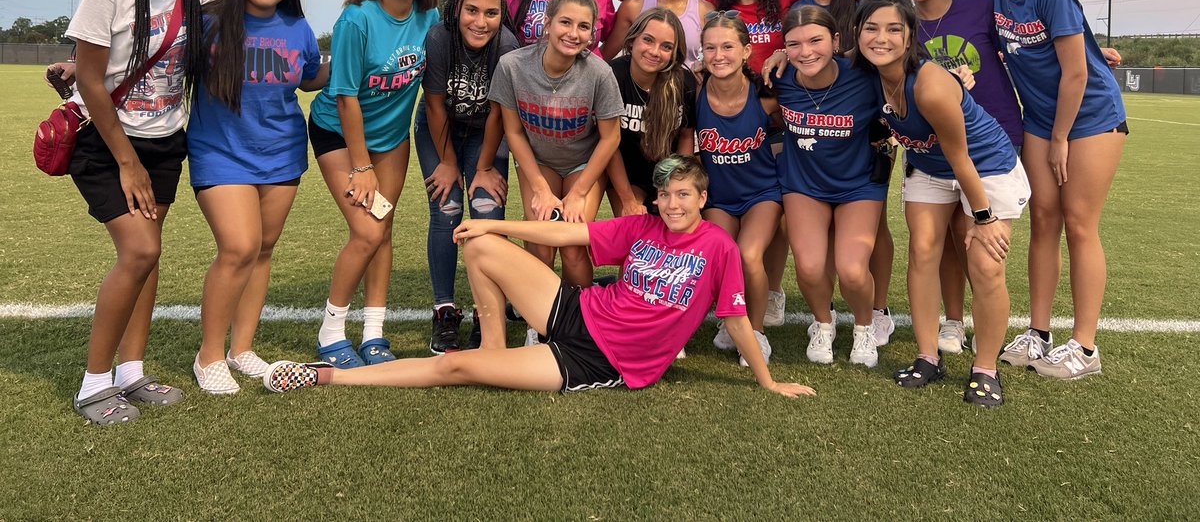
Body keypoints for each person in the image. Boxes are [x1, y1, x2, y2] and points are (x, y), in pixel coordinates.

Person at [261, 156, 815, 400]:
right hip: (578, 310)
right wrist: (493, 223)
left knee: (454, 367)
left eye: (684, 195)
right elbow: (564, 234)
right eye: (665, 194)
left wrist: (767, 382)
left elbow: (736, 320)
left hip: (599, 362)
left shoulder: (718, 248)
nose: (672, 204)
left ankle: (326, 378)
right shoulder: (642, 225)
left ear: (702, 197)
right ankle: (495, 344)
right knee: (480, 245)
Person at [65, 0, 216, 424]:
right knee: (139, 251)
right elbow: (90, 78)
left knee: (149, 256)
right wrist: (127, 161)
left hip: (166, 139)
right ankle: (93, 384)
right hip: (108, 140)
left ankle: (131, 372)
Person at [856, 0, 1031, 405]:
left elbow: (961, 157)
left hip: (984, 166)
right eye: (871, 28)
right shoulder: (864, 70)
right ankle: (927, 357)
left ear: (910, 35)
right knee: (922, 251)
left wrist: (984, 218)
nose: (881, 38)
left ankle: (985, 369)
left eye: (894, 29)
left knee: (986, 264)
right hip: (929, 166)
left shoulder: (931, 85)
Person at [977, 0, 1127, 379]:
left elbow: (1077, 73)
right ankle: (1038, 334)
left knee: (1079, 222)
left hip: (1090, 117)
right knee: (1043, 220)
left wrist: (1061, 137)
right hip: (1041, 120)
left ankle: (1084, 348)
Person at [187, 0, 326, 394]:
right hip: (220, 150)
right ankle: (209, 355)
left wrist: (350, 61)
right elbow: (164, 56)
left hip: (282, 151)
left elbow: (308, 77)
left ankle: (241, 348)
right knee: (239, 247)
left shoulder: (297, 26)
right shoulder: (210, 20)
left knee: (263, 249)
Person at [307, 0, 439, 368]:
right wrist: (361, 166)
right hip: (340, 134)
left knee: (383, 228)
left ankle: (374, 334)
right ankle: (330, 333)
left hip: (391, 139)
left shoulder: (430, 17)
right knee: (367, 231)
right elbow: (346, 96)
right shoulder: (357, 19)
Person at [900, 0, 1024, 355]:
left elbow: (1023, 42)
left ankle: (983, 326)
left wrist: (1091, 50)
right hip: (934, 147)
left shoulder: (979, 7)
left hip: (990, 137)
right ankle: (953, 322)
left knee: (974, 239)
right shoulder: (902, 24)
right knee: (943, 238)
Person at [489, 0, 623, 345]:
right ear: (547, 24)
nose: (573, 33)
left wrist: (578, 193)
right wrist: (539, 188)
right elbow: (514, 132)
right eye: (565, 22)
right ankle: (539, 323)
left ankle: (581, 324)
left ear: (593, 33)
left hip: (583, 165)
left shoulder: (599, 73)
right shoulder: (513, 66)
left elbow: (610, 138)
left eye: (584, 26)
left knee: (573, 243)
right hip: (540, 162)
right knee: (542, 241)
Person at [775, 5, 888, 368]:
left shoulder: (864, 77)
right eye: (794, 44)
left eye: (815, 41)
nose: (805, 52)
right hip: (804, 184)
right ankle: (824, 323)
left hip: (857, 185)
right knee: (809, 268)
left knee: (852, 269)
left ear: (836, 40)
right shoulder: (779, 78)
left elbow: (907, 85)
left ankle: (864, 326)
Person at [415, 0, 519, 354]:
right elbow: (435, 105)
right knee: (447, 208)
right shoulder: (440, 38)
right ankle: (444, 309)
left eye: (491, 12)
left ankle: (486, 310)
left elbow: (498, 114)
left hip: (484, 132)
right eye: (472, 10)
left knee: (487, 212)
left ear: (501, 14)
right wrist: (447, 163)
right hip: (438, 127)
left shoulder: (506, 46)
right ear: (458, 6)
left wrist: (485, 167)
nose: (480, 21)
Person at [695, 13, 782, 366]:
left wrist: (783, 54)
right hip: (719, 197)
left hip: (762, 193)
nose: (719, 56)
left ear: (746, 51)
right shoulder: (695, 91)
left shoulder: (766, 95)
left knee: (747, 255)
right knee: (720, 256)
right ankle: (732, 317)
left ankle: (756, 333)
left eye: (728, 47)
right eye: (710, 48)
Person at [606, 7, 698, 218]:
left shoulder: (683, 83)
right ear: (632, 40)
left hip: (668, 172)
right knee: (634, 225)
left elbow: (686, 137)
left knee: (678, 226)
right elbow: (610, 145)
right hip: (626, 174)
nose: (655, 52)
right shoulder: (613, 76)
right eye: (648, 40)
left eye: (666, 46)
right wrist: (628, 200)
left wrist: (677, 187)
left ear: (675, 53)